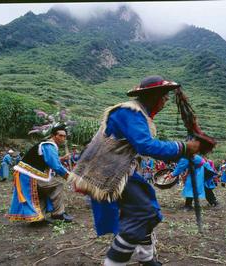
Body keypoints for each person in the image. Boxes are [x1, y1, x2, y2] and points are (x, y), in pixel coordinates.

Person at [69, 75, 207, 266]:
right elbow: (145, 146)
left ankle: (146, 257)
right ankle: (114, 262)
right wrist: (183, 147)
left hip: (122, 170)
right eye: (164, 96)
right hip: (112, 172)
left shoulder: (138, 114)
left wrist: (184, 149)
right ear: (154, 96)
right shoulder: (130, 112)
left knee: (148, 212)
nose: (166, 101)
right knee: (144, 213)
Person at [7, 124, 73, 223]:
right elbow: (56, 166)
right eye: (60, 135)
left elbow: (46, 160)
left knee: (41, 193)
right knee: (57, 185)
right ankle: (58, 214)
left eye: (64, 136)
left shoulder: (45, 144)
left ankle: (38, 218)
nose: (63, 138)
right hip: (30, 175)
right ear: (53, 135)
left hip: (28, 174)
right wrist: (70, 177)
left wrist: (62, 158)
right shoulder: (49, 145)